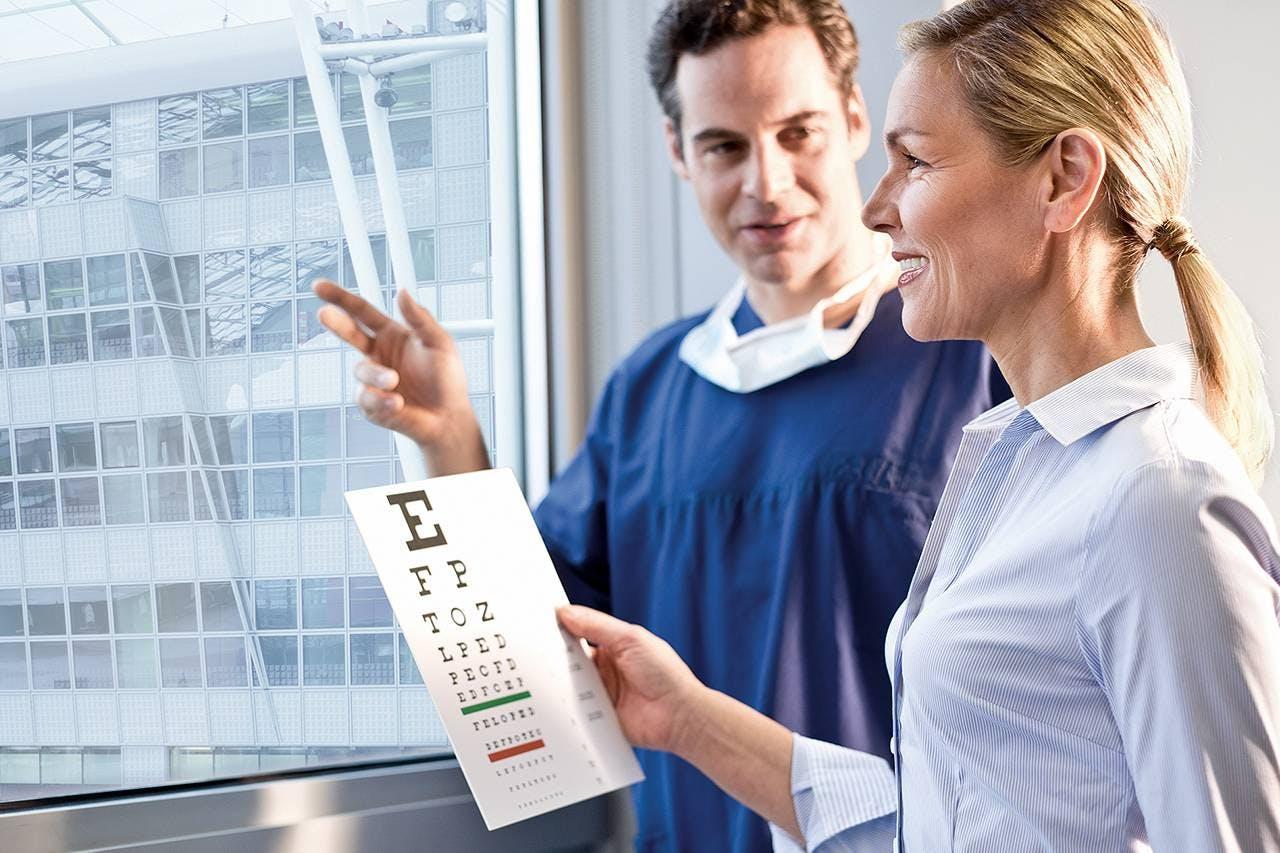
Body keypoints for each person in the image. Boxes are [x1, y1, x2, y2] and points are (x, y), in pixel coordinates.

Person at [557, 0, 1280, 850]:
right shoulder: (1014, 462)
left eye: (916, 163)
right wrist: (688, 719)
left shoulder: (1159, 497)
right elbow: (948, 823)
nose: (876, 208)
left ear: (1063, 179)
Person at [314, 1, 1007, 849]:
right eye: (723, 145)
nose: (767, 182)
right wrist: (449, 439)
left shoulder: (967, 357)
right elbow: (535, 664)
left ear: (857, 118)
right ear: (678, 153)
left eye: (799, 133)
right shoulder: (648, 393)